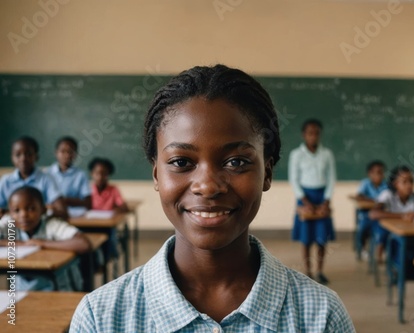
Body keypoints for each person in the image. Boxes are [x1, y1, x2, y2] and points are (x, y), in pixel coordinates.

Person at [70, 64, 355, 332]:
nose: (207, 186)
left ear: (267, 173)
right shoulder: (101, 317)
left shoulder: (321, 316)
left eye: (236, 162)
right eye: (181, 162)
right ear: (157, 175)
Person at [0, 186, 91, 291]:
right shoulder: (9, 223)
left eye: (31, 209)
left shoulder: (51, 224)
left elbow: (84, 244)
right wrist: (21, 244)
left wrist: (42, 243)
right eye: (16, 210)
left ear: (43, 210)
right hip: (24, 291)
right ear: (10, 213)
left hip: (60, 288)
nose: (23, 215)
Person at [288, 118, 336, 284]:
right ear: (304, 135)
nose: (313, 136)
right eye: (310, 133)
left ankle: (320, 270)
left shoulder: (327, 154)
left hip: (322, 196)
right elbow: (294, 179)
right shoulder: (296, 155)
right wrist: (304, 200)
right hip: (305, 197)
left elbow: (331, 178)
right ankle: (307, 271)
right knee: (306, 238)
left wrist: (327, 200)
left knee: (322, 238)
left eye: (316, 133)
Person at [369, 165, 414, 262]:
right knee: (387, 236)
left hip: (412, 232)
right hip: (394, 231)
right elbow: (373, 214)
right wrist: (402, 216)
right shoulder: (388, 194)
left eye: (411, 181)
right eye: (404, 182)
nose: (409, 185)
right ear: (395, 184)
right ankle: (392, 262)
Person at [0, 136, 68, 219]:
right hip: (12, 222)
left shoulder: (46, 179)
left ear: (36, 157)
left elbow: (62, 210)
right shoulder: (6, 181)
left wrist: (42, 214)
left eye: (28, 154)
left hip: (38, 223)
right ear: (12, 158)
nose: (23, 158)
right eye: (18, 155)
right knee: (9, 227)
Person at [47, 136, 92, 217]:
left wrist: (63, 201)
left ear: (76, 154)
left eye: (70, 152)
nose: (67, 155)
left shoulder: (81, 175)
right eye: (63, 151)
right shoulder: (47, 173)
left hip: (74, 215)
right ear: (56, 153)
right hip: (52, 213)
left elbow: (88, 203)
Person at [354, 160, 387, 259]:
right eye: (377, 172)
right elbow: (359, 196)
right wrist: (374, 200)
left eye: (381, 172)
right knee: (362, 227)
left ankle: (382, 250)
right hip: (366, 213)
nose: (379, 175)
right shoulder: (365, 183)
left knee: (383, 229)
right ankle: (363, 248)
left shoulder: (386, 185)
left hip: (381, 214)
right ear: (370, 174)